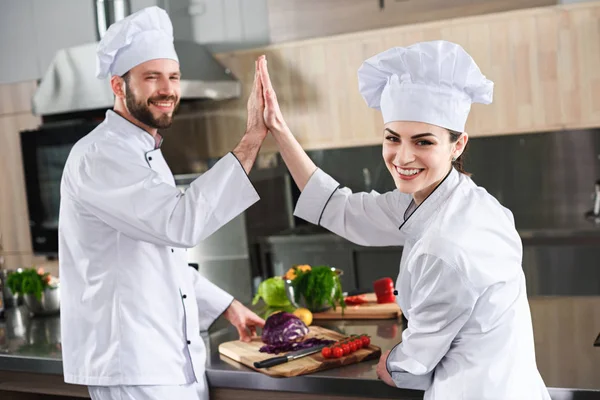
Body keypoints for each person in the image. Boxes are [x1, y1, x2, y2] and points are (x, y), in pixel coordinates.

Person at [257, 41, 551, 399]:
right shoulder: (455, 198)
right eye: (392, 138)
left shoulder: (444, 246)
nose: (403, 156)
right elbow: (342, 209)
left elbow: (413, 366)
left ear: (457, 145)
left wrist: (391, 364)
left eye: (423, 142)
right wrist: (278, 128)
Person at [58, 7, 266, 400]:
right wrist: (251, 138)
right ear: (119, 86)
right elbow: (179, 224)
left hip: (169, 360)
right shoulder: (101, 155)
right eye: (151, 77)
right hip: (134, 364)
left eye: (173, 77)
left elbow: (162, 257)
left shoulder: (145, 151)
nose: (167, 89)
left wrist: (228, 306)